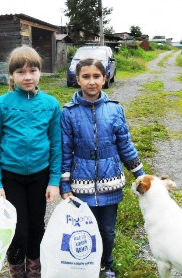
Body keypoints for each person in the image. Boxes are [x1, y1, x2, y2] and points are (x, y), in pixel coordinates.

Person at [60, 58, 145, 278]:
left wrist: (139, 174)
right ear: (77, 79)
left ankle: (107, 264)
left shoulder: (115, 110)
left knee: (107, 230)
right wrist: (64, 182)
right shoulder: (68, 113)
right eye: (86, 77)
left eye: (96, 76)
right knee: (83, 229)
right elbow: (65, 149)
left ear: (105, 78)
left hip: (110, 182)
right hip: (81, 183)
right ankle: (85, 265)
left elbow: (125, 144)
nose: (91, 82)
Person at [0, 45, 62, 278]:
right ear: (11, 75)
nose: (27, 77)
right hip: (11, 178)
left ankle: (34, 269)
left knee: (37, 226)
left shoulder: (51, 105)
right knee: (17, 230)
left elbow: (56, 144)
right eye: (20, 72)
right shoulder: (1, 104)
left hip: (40, 175)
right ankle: (17, 270)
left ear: (40, 72)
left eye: (33, 70)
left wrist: (54, 180)